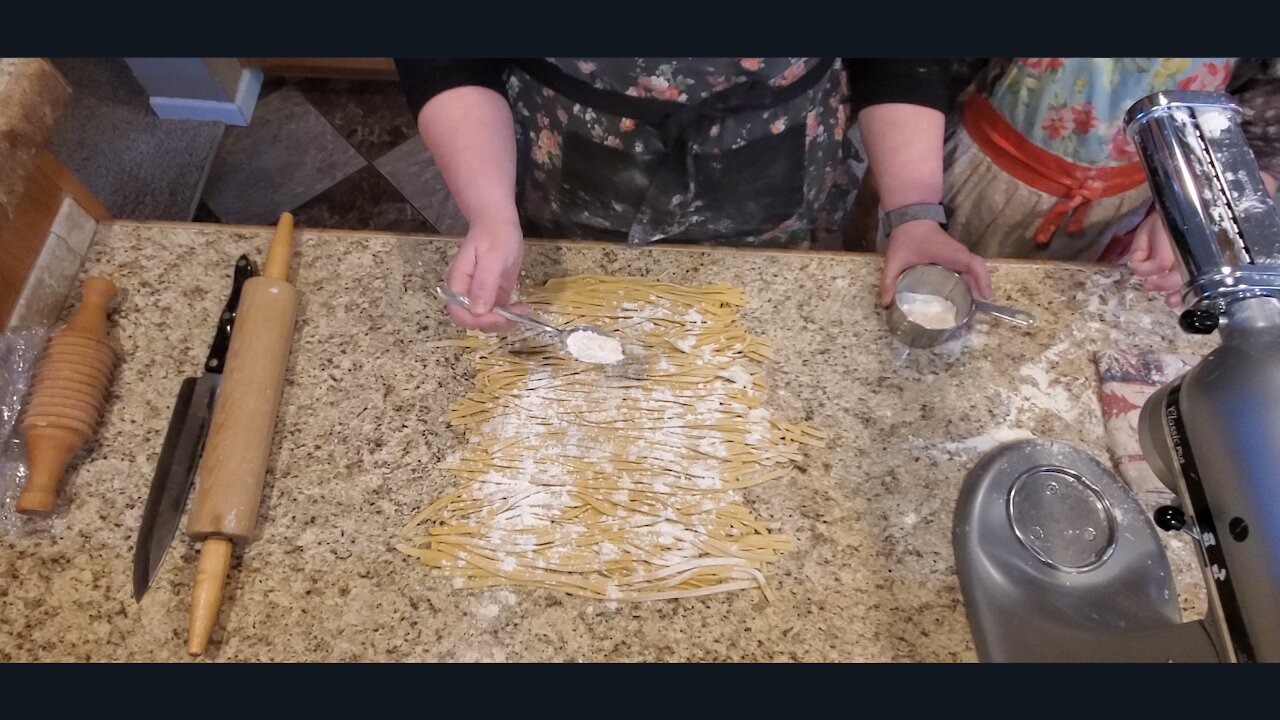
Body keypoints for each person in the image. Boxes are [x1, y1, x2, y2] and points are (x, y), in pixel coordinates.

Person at [395, 58, 963, 329]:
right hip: (570, 162)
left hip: (771, 162)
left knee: (747, 340)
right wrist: (491, 212)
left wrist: (914, 211)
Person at [863, 58, 1280, 308]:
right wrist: (915, 212)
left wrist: (1199, 202)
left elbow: (1263, 127)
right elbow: (915, 65)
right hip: (969, 179)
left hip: (1124, 209)